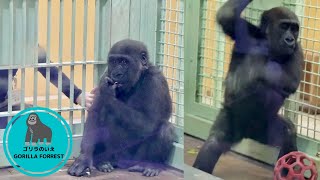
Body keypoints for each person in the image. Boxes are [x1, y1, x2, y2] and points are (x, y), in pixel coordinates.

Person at [0, 45, 95, 128]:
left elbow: (47, 67)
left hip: (4, 105)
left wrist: (77, 94)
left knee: (41, 121)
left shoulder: (18, 35)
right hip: (4, 107)